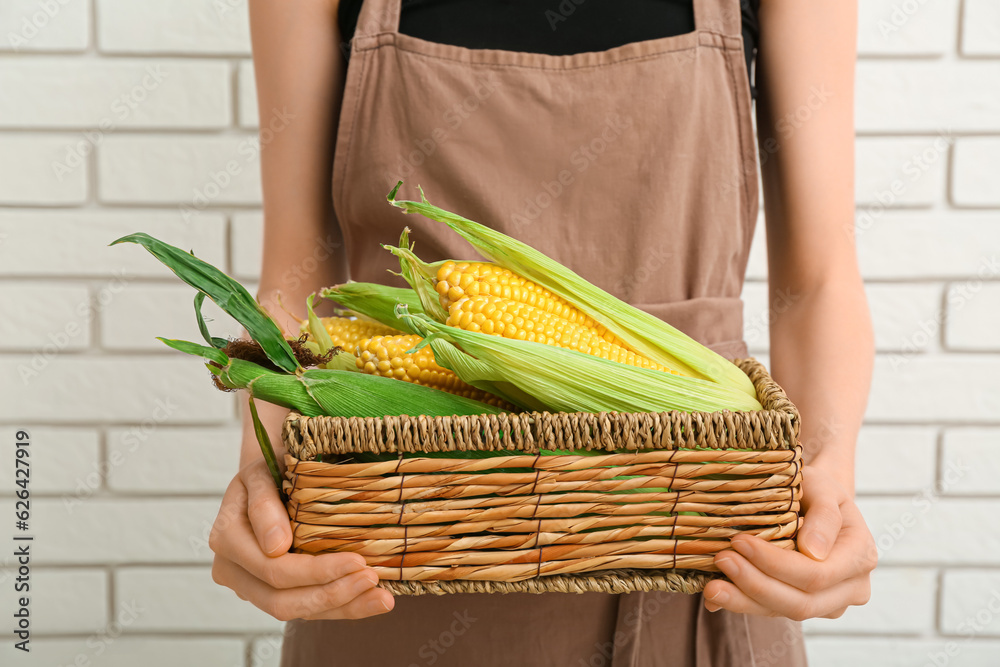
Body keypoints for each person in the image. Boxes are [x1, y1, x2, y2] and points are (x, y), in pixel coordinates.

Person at [208, 0, 877, 664]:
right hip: (396, 551)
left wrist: (828, 471)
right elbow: (298, 282)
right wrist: (261, 471)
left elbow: (817, 280)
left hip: (696, 532)